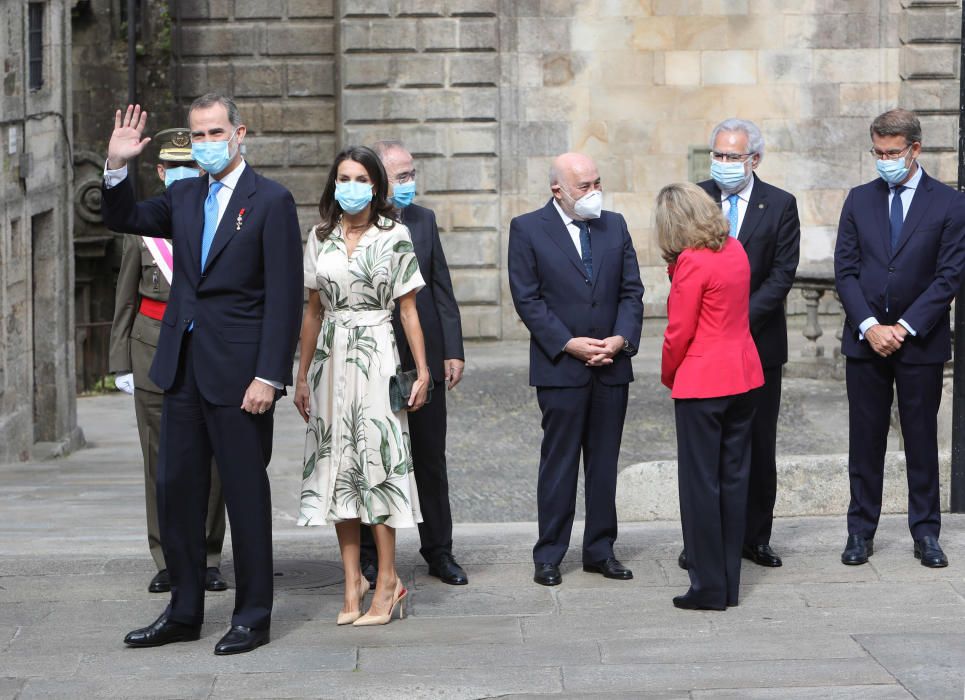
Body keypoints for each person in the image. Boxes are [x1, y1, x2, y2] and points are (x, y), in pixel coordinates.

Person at [101, 95, 304, 655]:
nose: (207, 143)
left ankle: (253, 616)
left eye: (216, 132)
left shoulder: (272, 201)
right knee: (175, 491)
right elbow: (123, 218)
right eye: (198, 136)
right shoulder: (184, 193)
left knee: (243, 494)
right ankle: (184, 610)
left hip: (241, 376)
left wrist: (270, 375)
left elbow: (284, 298)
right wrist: (117, 166)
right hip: (181, 369)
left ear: (240, 133)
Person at [294, 145, 429, 627]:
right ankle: (353, 581)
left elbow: (409, 309)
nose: (350, 185)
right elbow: (312, 310)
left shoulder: (396, 235)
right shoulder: (319, 236)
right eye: (343, 177)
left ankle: (388, 579)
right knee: (338, 467)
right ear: (334, 183)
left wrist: (424, 369)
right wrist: (302, 373)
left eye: (359, 178)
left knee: (378, 463)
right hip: (330, 360)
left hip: (377, 353)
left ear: (375, 185)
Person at [834, 108, 965, 569]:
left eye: (892, 152)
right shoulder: (858, 199)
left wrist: (905, 327)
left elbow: (949, 276)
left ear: (915, 149)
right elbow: (845, 271)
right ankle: (859, 531)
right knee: (864, 440)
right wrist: (870, 326)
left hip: (920, 343)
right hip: (865, 340)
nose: (884, 159)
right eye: (878, 151)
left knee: (921, 439)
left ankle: (926, 533)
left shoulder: (949, 204)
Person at [508, 152, 644, 587]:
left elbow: (631, 292)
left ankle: (600, 550)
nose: (594, 193)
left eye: (597, 183)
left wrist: (621, 340)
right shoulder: (528, 229)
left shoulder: (615, 225)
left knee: (604, 465)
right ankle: (549, 553)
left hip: (611, 364)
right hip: (560, 366)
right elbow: (527, 298)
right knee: (560, 463)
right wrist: (569, 344)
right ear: (558, 191)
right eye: (584, 186)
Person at [108, 128, 228, 595]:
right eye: (172, 168)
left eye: (190, 167)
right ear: (160, 172)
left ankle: (208, 555)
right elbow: (125, 297)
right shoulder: (144, 226)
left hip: (209, 352)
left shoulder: (218, 215)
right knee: (159, 462)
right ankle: (166, 557)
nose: (182, 175)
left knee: (215, 462)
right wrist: (121, 361)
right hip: (153, 350)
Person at [677, 119, 801, 571]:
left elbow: (782, 273)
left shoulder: (781, 204)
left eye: (733, 156)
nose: (724, 164)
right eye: (719, 155)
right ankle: (701, 542)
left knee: (757, 445)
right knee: (704, 454)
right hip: (704, 350)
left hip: (759, 344)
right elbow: (679, 262)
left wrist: (737, 319)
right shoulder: (696, 198)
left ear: (755, 159)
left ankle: (754, 537)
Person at [356, 139, 467, 588]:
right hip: (372, 357)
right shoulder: (354, 222)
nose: (409, 184)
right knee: (370, 456)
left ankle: (439, 551)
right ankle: (368, 555)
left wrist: (452, 350)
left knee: (429, 457)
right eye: (400, 177)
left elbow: (441, 286)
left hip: (423, 358)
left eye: (411, 175)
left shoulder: (423, 219)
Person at [658, 182, 764, 611]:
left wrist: (670, 376)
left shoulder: (692, 262)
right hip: (744, 375)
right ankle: (729, 583)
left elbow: (678, 332)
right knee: (733, 482)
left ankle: (706, 586)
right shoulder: (735, 248)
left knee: (700, 486)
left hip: (703, 382)